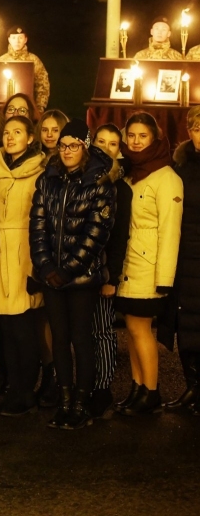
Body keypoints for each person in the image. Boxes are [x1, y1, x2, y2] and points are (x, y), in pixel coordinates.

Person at [29, 119, 116, 429]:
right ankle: (65, 400)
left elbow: (96, 233)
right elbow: (37, 227)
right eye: (63, 145)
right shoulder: (48, 179)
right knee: (59, 339)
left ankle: (81, 402)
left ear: (85, 146)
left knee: (81, 339)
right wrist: (46, 267)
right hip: (51, 276)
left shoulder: (99, 182)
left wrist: (67, 271)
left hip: (82, 277)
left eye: (74, 145)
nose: (66, 150)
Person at [116, 112, 183, 414]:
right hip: (128, 264)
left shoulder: (166, 177)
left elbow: (171, 231)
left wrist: (164, 279)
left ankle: (151, 391)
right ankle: (137, 385)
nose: (136, 141)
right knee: (130, 329)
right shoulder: (130, 173)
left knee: (141, 328)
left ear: (154, 138)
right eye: (131, 136)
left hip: (149, 264)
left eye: (143, 136)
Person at [0, 115, 47, 416]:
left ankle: (26, 391)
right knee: (6, 328)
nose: (10, 137)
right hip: (0, 252)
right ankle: (14, 388)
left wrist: (38, 267)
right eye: (7, 133)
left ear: (30, 138)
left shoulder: (40, 171)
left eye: (18, 132)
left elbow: (44, 221)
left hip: (26, 251)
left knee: (24, 328)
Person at [92, 124, 131, 418]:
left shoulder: (120, 188)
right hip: (77, 271)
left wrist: (111, 276)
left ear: (119, 150)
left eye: (112, 144)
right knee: (81, 332)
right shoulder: (79, 178)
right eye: (100, 141)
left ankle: (103, 388)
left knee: (103, 330)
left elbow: (119, 238)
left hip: (103, 271)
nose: (105, 147)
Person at [171, 106, 200, 414]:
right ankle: (192, 386)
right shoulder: (179, 165)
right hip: (185, 255)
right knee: (186, 324)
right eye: (195, 128)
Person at [0, 26, 51, 110]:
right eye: (14, 38)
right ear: (9, 40)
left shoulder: (34, 60)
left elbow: (42, 86)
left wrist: (39, 108)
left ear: (25, 39)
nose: (17, 41)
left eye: (20, 38)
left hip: (27, 108)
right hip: (4, 108)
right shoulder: (1, 60)